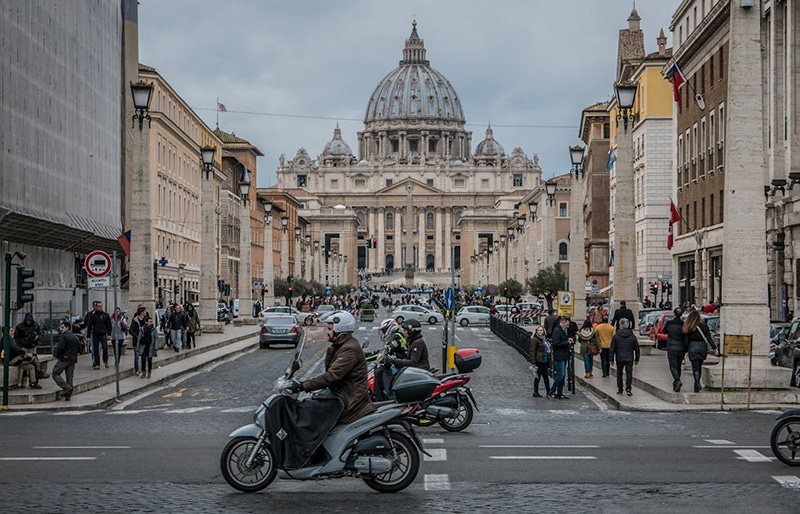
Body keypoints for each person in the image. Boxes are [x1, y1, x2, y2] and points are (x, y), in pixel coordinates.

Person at [288, 312, 376, 424]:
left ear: (339, 330)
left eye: (330, 329)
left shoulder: (349, 349)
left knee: (309, 410)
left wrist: (303, 386)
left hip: (349, 400)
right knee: (310, 403)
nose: (328, 332)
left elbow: (332, 376)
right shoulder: (342, 345)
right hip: (341, 393)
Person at [683, 310, 719, 393]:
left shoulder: (689, 326)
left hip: (692, 347)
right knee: (699, 365)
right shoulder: (704, 326)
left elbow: (686, 340)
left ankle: (696, 383)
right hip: (702, 347)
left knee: (695, 367)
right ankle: (697, 383)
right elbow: (709, 338)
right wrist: (715, 348)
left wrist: (686, 350)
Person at [373, 318, 407, 401]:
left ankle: (388, 399)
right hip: (397, 363)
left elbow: (389, 350)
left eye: (384, 330)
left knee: (380, 373)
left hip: (399, 364)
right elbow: (383, 351)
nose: (383, 333)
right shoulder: (393, 337)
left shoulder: (397, 336)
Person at [13, 312, 46, 384]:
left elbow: (41, 334)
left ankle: (34, 380)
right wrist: (20, 347)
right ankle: (24, 381)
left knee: (34, 363)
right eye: (27, 320)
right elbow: (16, 337)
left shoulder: (36, 326)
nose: (28, 322)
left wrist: (38, 337)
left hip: (32, 346)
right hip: (23, 347)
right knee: (25, 363)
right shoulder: (20, 326)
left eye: (29, 320)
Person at [610, 318, 640, 396]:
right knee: (629, 373)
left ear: (620, 325)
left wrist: (611, 359)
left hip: (619, 358)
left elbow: (612, 348)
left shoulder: (616, 336)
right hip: (629, 358)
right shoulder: (632, 336)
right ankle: (628, 388)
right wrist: (637, 358)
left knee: (619, 374)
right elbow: (637, 348)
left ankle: (620, 389)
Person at [52, 321, 80, 400]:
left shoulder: (63, 336)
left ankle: (67, 387)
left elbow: (60, 348)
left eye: (62, 327)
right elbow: (79, 346)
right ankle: (68, 395)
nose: (61, 329)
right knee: (69, 377)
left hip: (64, 358)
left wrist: (57, 355)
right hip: (72, 359)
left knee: (55, 373)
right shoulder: (74, 336)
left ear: (67, 327)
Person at [547, 318, 572, 400]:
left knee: (563, 375)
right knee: (560, 374)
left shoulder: (561, 330)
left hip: (563, 355)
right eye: (567, 324)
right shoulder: (557, 331)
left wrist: (567, 340)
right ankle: (552, 391)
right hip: (559, 355)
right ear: (563, 323)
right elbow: (556, 343)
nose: (567, 326)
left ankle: (560, 393)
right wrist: (567, 342)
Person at [664, 308, 687, 392]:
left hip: (672, 346)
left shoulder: (669, 323)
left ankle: (677, 380)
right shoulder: (683, 324)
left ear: (674, 314)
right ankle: (676, 382)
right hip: (681, 347)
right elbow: (686, 336)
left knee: (672, 366)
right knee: (678, 366)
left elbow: (664, 331)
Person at [85, 301, 112, 370]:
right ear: (96, 307)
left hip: (103, 334)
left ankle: (105, 360)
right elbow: (90, 326)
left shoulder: (105, 315)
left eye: (100, 306)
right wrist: (88, 336)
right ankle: (97, 364)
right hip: (95, 334)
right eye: (98, 306)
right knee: (96, 350)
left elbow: (109, 325)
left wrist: (109, 334)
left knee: (105, 348)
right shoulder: (93, 315)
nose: (99, 308)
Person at [529, 325, 550, 397]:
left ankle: (548, 392)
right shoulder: (535, 339)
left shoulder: (544, 339)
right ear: (536, 332)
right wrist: (533, 362)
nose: (540, 332)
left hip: (545, 360)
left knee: (546, 377)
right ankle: (535, 391)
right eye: (538, 330)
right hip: (539, 361)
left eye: (541, 330)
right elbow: (532, 351)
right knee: (538, 377)